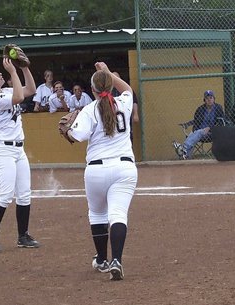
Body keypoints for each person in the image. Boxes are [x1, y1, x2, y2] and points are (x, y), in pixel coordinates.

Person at [65, 62, 138, 281]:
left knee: (97, 214)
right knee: (118, 215)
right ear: (109, 85)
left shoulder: (89, 110)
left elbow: (75, 137)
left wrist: (67, 131)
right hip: (125, 168)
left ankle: (102, 259)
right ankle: (116, 260)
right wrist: (108, 72)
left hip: (96, 169)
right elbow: (128, 91)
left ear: (93, 90)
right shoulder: (123, 102)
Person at [0, 57, 39, 252]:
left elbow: (31, 90)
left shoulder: (6, 91)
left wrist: (24, 68)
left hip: (18, 149)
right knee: (5, 194)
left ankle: (23, 236)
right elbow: (20, 98)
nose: (0, 73)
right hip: (3, 150)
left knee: (24, 194)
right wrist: (13, 72)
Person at [172, 90, 225, 160]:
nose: (209, 100)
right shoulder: (200, 109)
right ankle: (185, 156)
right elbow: (196, 120)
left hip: (212, 132)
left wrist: (210, 128)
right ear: (204, 100)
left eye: (211, 98)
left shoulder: (218, 108)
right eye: (207, 98)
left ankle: (183, 148)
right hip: (200, 132)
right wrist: (187, 124)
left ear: (214, 99)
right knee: (193, 133)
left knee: (195, 134)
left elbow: (221, 122)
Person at [112, 72, 139, 144]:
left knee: (127, 134)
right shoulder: (108, 90)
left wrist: (135, 114)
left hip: (125, 116)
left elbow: (134, 100)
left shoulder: (125, 89)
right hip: (112, 117)